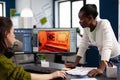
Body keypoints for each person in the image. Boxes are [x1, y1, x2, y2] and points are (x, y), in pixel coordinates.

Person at [0, 17, 66, 80]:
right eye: (13, 32)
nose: (14, 35)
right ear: (6, 34)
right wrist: (52, 75)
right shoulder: (3, 62)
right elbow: (22, 76)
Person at [65, 4, 120, 77]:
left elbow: (107, 46)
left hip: (115, 59)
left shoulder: (104, 23)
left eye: (81, 19)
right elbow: (83, 44)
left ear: (90, 18)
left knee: (115, 78)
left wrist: (101, 69)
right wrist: (75, 63)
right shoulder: (86, 28)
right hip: (103, 58)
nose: (79, 22)